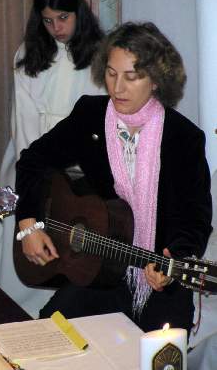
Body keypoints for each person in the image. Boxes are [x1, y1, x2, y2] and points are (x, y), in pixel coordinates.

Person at [15, 21, 212, 332]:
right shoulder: (90, 115)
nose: (117, 88)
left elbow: (195, 216)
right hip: (98, 272)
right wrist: (28, 222)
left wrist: (175, 259)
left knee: (158, 356)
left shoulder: (184, 138)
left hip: (157, 280)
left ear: (157, 80)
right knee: (48, 336)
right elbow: (33, 161)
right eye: (111, 73)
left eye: (132, 77)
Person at [0, 0, 104, 317]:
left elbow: (102, 117)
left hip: (84, 154)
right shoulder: (29, 53)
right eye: (48, 21)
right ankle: (17, 298)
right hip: (34, 149)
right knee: (15, 201)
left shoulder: (99, 53)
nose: (56, 28)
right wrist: (41, 172)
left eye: (63, 18)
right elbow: (24, 123)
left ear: (79, 13)